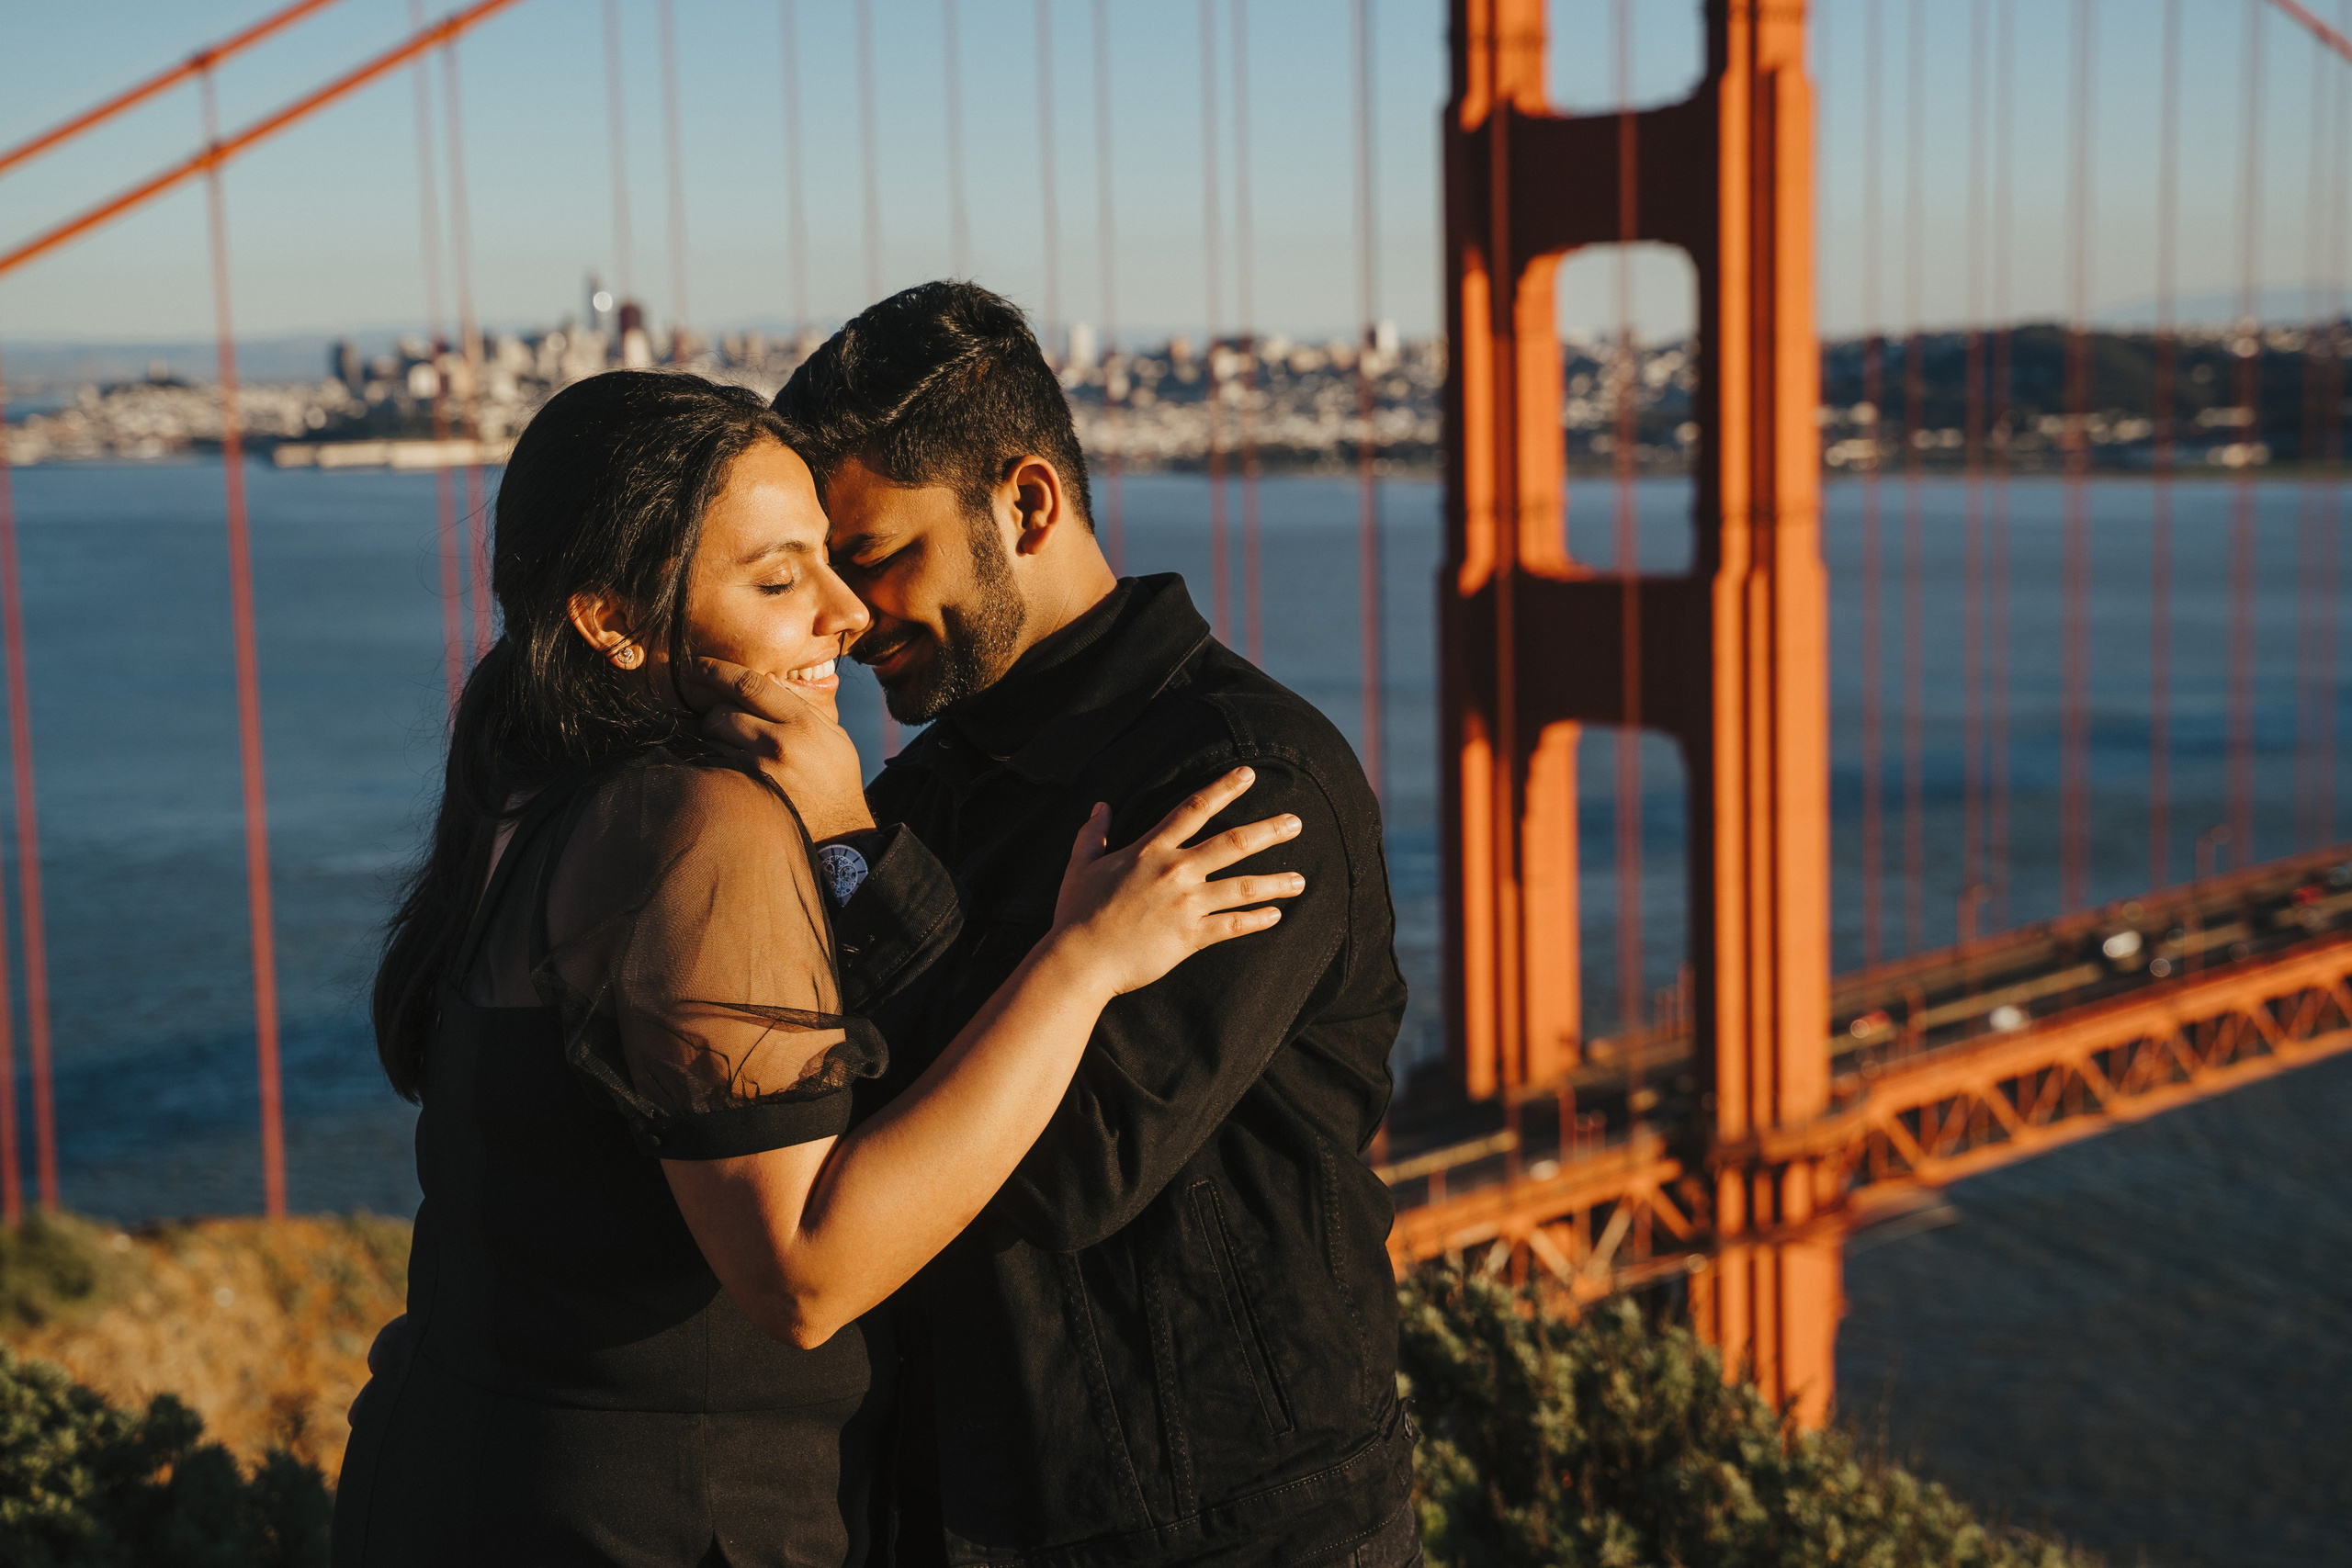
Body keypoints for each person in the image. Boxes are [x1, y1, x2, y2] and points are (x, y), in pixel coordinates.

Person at [334, 369, 1304, 1567]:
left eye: (835, 563)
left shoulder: (519, 797)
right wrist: (1083, 964)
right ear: (612, 620)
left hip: (439, 1485)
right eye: (781, 578)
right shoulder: (698, 827)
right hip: (651, 1525)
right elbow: (804, 1274)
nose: (845, 614)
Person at [695, 282, 1417, 1568]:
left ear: (1026, 504)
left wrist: (857, 859)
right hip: (964, 1518)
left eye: (871, 557)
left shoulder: (1249, 779)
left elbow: (1068, 1167)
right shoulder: (922, 790)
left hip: (1234, 1537)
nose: (848, 620)